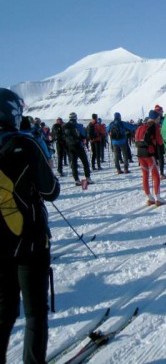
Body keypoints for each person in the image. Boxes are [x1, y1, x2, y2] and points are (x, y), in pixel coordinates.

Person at [0, 88, 60, 364]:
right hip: (29, 241)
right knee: (35, 313)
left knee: (4, 313)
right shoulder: (25, 143)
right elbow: (50, 191)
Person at [135, 110, 165, 206]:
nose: (159, 120)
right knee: (155, 175)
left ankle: (149, 197)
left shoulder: (141, 126)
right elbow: (160, 142)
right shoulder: (155, 127)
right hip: (149, 153)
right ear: (156, 118)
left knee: (145, 175)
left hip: (140, 154)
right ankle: (158, 198)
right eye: (158, 118)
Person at [62, 112, 93, 186]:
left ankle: (76, 180)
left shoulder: (65, 126)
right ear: (75, 117)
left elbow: (63, 136)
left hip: (70, 146)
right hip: (79, 146)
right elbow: (83, 135)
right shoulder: (78, 125)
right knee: (85, 162)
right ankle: (88, 178)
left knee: (74, 163)